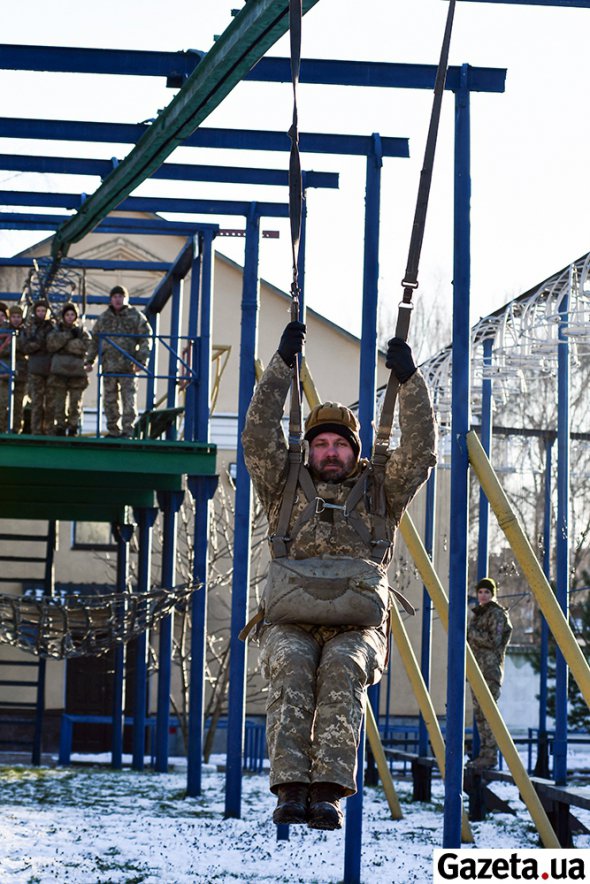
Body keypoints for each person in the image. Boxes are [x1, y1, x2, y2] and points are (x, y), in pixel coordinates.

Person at [241, 320, 436, 830]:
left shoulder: (381, 490)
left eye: (340, 445)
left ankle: (328, 789)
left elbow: (420, 453)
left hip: (357, 623)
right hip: (291, 618)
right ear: (308, 449)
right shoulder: (282, 486)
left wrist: (411, 383)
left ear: (355, 451)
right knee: (290, 664)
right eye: (321, 443)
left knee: (343, 668)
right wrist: (282, 366)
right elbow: (258, 434)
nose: (330, 452)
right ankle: (290, 788)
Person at [85, 285, 152, 438]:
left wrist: (141, 360)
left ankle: (128, 431)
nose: (118, 299)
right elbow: (95, 340)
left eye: (121, 296)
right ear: (111, 299)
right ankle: (113, 430)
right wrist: (90, 360)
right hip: (109, 366)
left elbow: (146, 337)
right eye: (115, 296)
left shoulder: (135, 316)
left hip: (128, 366)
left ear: (126, 299)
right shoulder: (104, 318)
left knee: (129, 400)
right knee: (109, 401)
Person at [467, 576, 513, 770]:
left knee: (489, 713)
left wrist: (472, 634)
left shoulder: (496, 613)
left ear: (492, 594)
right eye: (480, 592)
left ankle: (490, 755)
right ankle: (485, 754)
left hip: (490, 670)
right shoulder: (479, 614)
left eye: (487, 592)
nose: (483, 595)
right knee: (480, 714)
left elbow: (494, 640)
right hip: (478, 669)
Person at [47, 303, 91, 436]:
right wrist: (68, 337)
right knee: (59, 402)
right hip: (59, 372)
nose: (70, 317)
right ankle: (60, 426)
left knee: (75, 402)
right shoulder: (56, 330)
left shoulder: (82, 331)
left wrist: (64, 345)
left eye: (72, 314)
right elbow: (51, 345)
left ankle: (73, 426)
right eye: (67, 314)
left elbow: (87, 347)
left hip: (77, 372)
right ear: (63, 316)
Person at [23, 298, 55, 435]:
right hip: (35, 369)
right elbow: (24, 346)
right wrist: (38, 344)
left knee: (50, 403)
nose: (41, 313)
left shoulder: (53, 327)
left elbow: (55, 345)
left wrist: (37, 344)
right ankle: (36, 431)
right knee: (36, 402)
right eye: (39, 311)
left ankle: (49, 431)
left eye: (44, 311)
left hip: (50, 368)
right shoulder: (30, 327)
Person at [0, 305, 28, 433]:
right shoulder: (3, 332)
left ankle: (16, 430)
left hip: (21, 373)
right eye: (13, 317)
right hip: (5, 371)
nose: (16, 320)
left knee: (18, 405)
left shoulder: (26, 332)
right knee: (3, 403)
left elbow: (29, 348)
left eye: (18, 317)